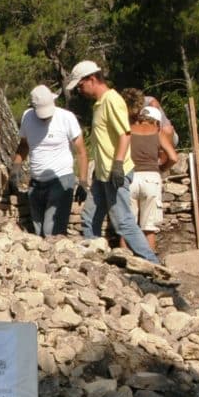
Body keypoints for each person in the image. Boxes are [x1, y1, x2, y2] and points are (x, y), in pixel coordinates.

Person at [66, 60, 160, 264]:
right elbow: (103, 141)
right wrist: (90, 176)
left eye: (80, 86)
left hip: (114, 173)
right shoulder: (99, 104)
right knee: (89, 217)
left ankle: (152, 263)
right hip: (102, 174)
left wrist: (118, 165)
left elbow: (124, 134)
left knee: (123, 222)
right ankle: (94, 262)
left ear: (92, 79)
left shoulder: (112, 100)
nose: (80, 91)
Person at [10, 84, 88, 236]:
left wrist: (83, 181)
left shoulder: (66, 118)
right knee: (38, 233)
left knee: (51, 232)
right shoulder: (28, 117)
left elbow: (81, 151)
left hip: (60, 179)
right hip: (36, 183)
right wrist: (16, 167)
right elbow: (24, 145)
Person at [126, 101, 178, 251]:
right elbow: (173, 157)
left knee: (127, 226)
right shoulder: (158, 133)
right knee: (149, 228)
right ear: (156, 122)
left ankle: (123, 259)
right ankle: (149, 261)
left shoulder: (128, 131)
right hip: (151, 179)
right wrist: (162, 168)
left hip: (130, 178)